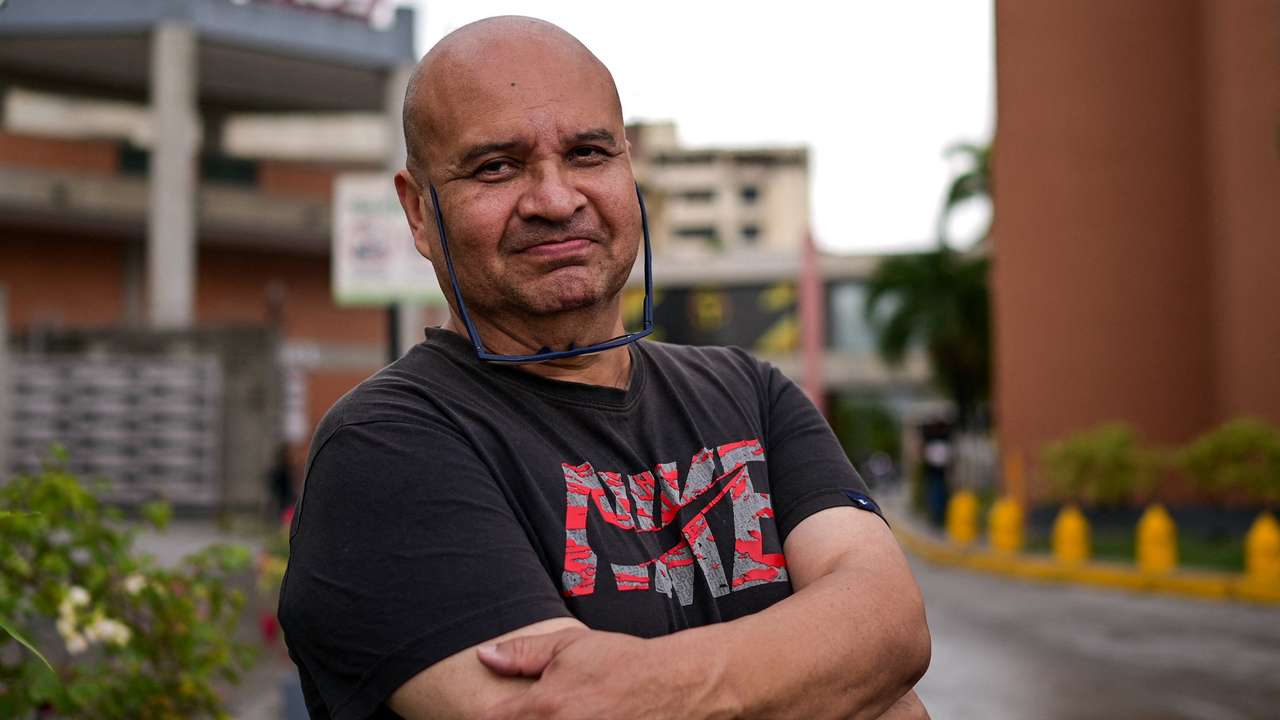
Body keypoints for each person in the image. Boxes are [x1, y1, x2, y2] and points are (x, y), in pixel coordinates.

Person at [279, 16, 931, 720]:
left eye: (589, 153)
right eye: (495, 166)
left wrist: (670, 687)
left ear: (629, 171)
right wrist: (830, 678)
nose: (556, 200)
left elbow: (892, 624)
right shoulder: (386, 448)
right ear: (417, 213)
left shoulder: (752, 394)